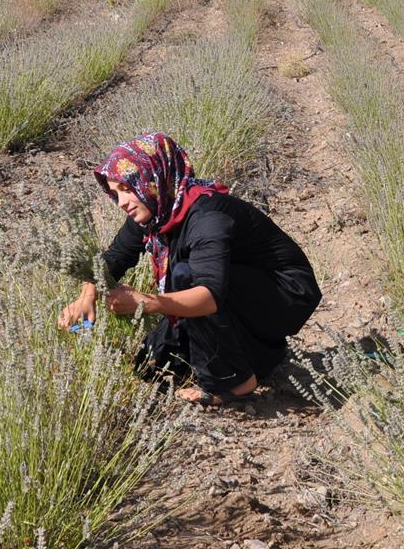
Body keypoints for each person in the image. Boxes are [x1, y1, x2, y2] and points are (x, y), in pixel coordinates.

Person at [59, 133, 322, 406]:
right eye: (115, 193)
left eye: (127, 188)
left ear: (152, 177)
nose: (121, 201)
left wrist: (146, 302)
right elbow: (110, 260)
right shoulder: (156, 209)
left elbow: (209, 295)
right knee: (151, 367)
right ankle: (262, 355)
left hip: (286, 293)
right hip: (243, 288)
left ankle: (235, 381)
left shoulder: (207, 217)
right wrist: (85, 297)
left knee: (185, 275)